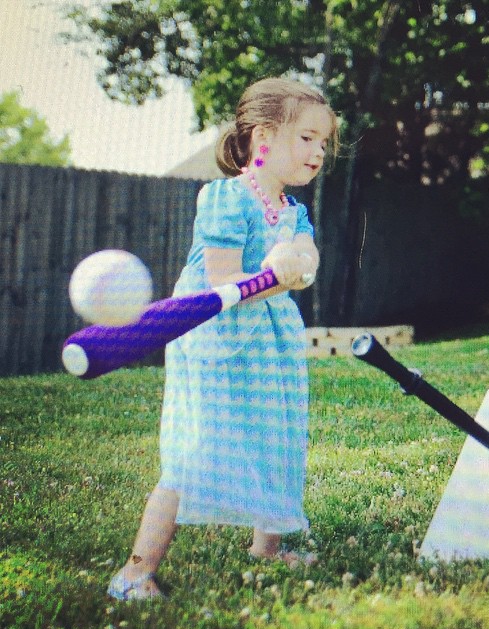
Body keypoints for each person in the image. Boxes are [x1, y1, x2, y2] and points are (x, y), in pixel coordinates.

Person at [107, 77, 338, 600]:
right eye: (306, 138)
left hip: (268, 341)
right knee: (192, 452)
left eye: (322, 143)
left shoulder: (293, 210)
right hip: (214, 339)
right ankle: (135, 571)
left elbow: (304, 253)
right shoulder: (225, 199)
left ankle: (268, 549)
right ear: (263, 138)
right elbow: (221, 285)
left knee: (275, 436)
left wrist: (301, 261)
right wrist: (280, 274)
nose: (317, 151)